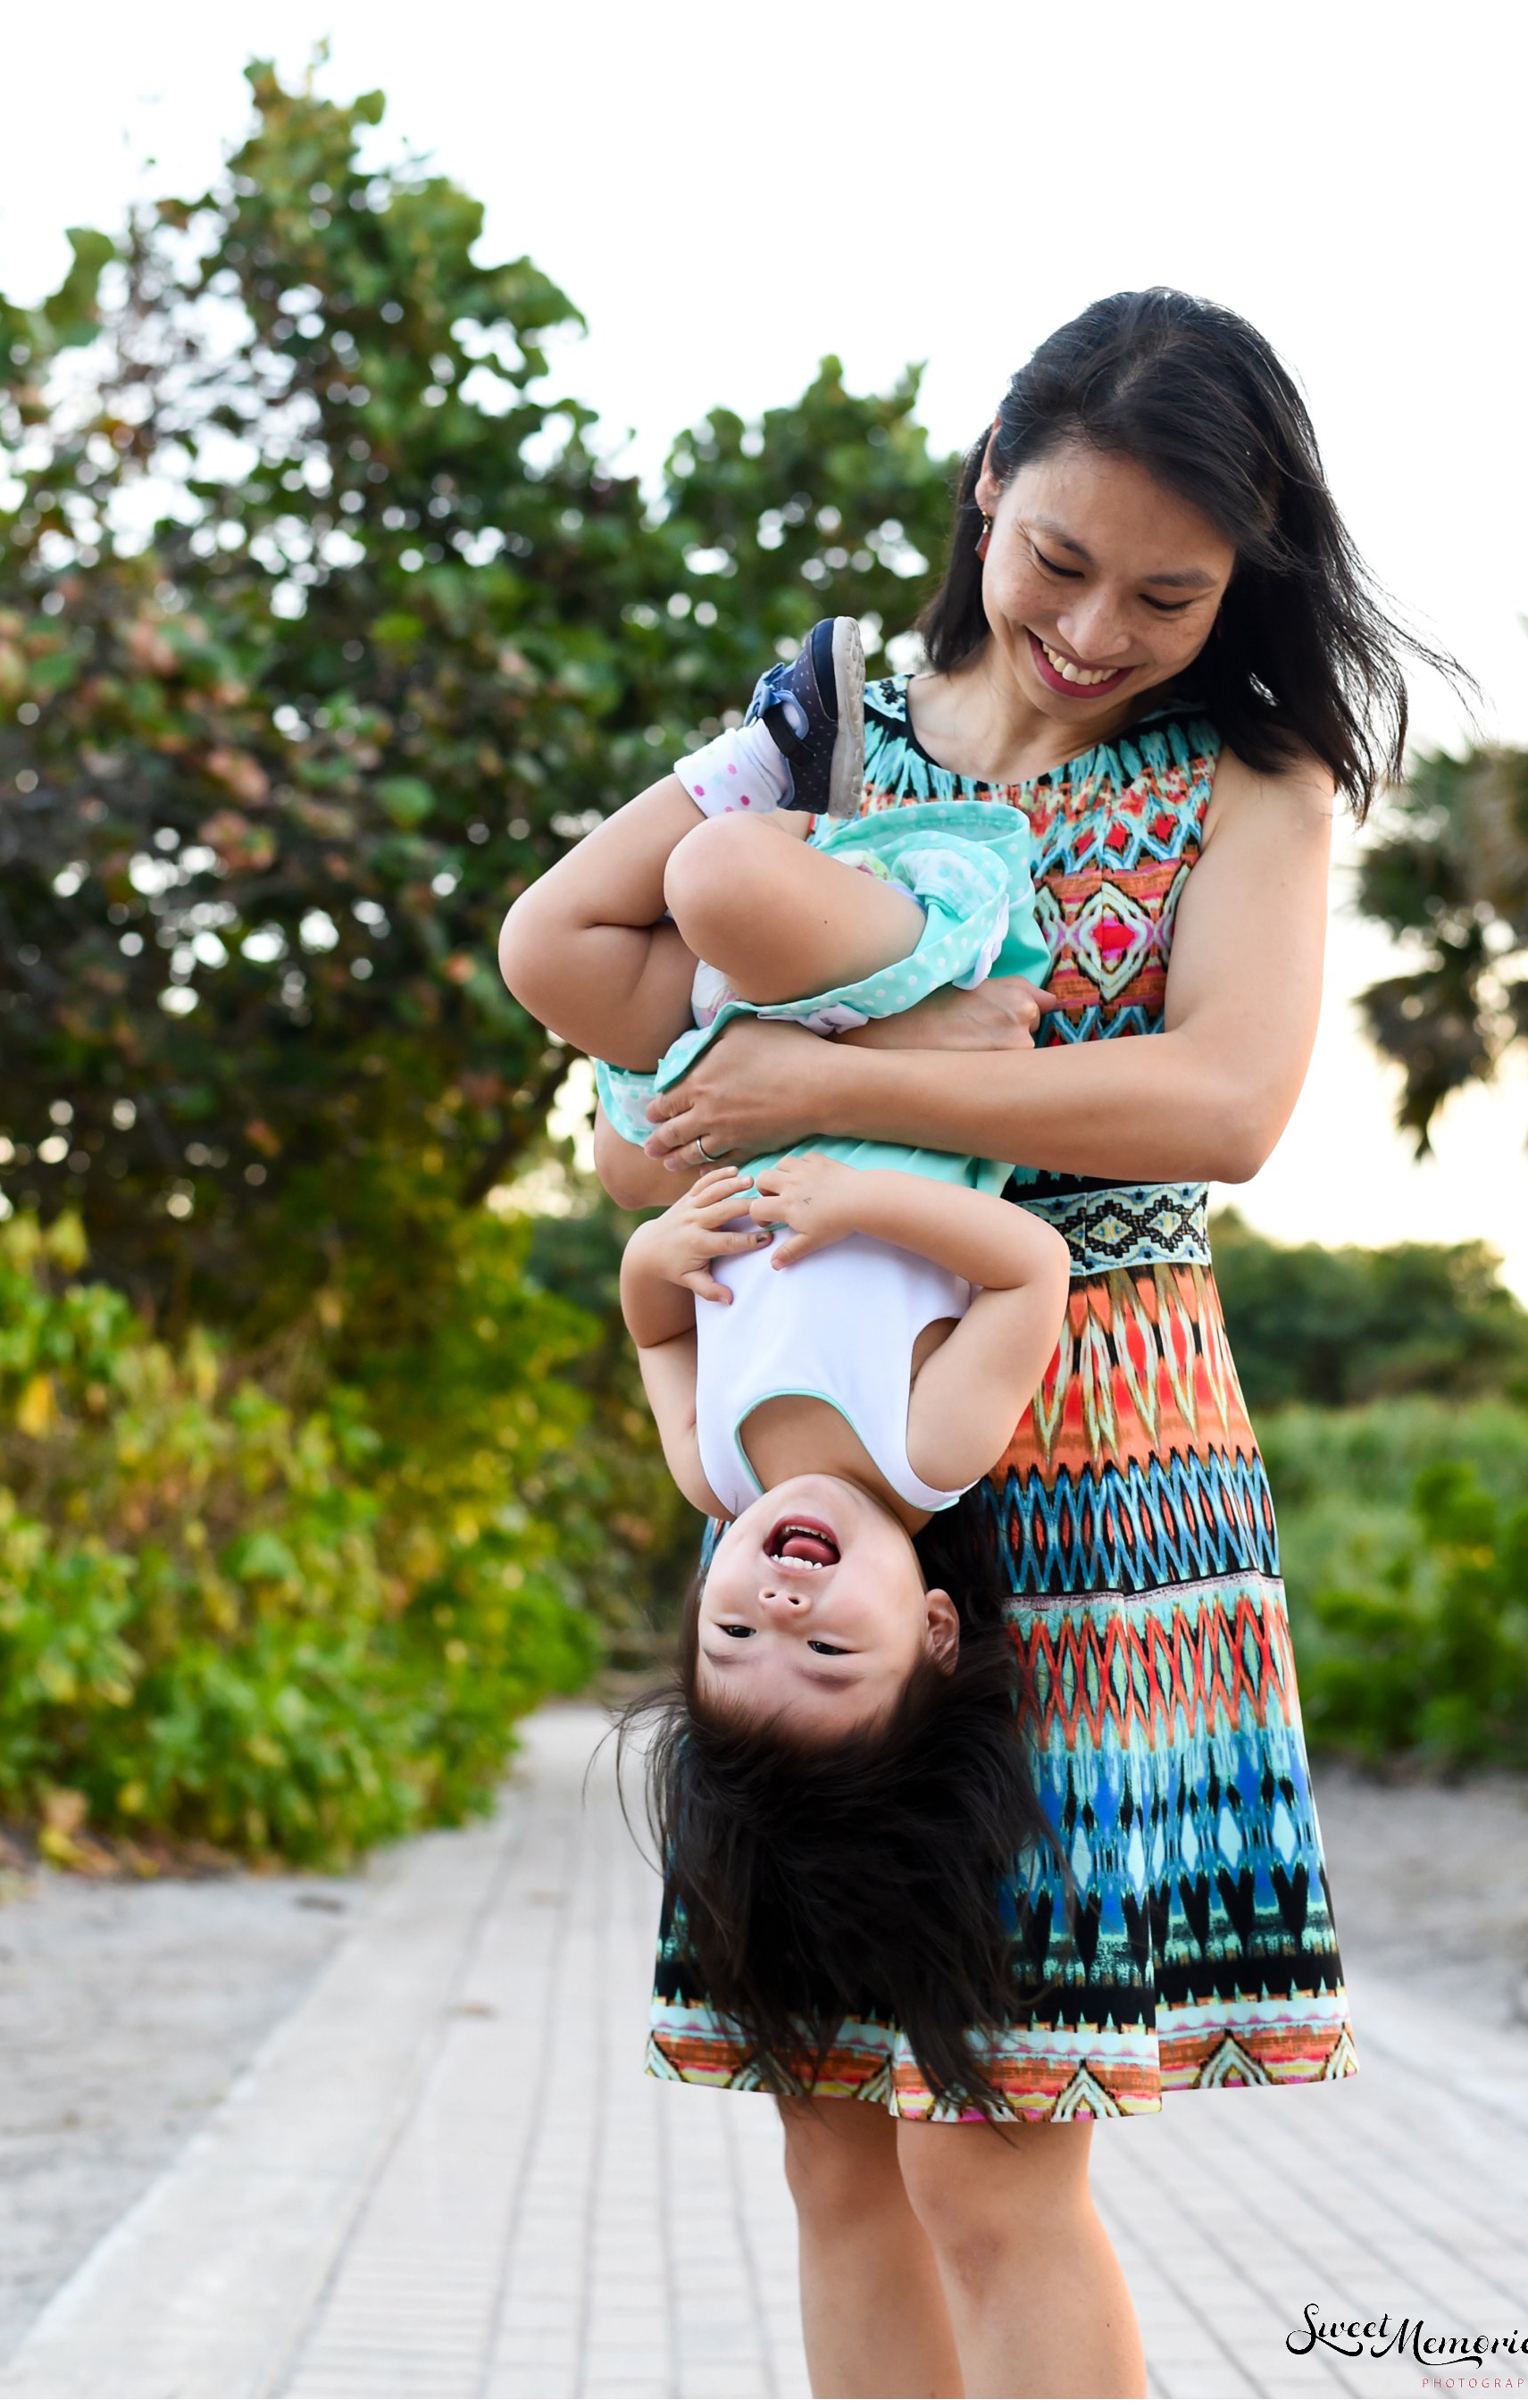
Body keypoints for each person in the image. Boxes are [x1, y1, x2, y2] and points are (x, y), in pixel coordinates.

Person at [528, 286, 1465, 2402]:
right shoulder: (822, 724)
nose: (1095, 625)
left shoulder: (1256, 768)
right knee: (834, 2139)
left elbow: (1221, 1105)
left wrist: (817, 1096)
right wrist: (698, 1142)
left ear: (1248, 584)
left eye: (1168, 590)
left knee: (993, 2149)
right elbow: (619, 1064)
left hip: (1096, 1446)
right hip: (826, 1463)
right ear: (985, 493)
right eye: (1058, 560)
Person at [502, 621, 1075, 2114]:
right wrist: (869, 1197)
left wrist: (664, 1252)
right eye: (829, 1650)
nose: (781, 1603)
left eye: (735, 1640)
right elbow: (1034, 1269)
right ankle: (824, 770)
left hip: (744, 1061)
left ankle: (775, 757)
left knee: (541, 952)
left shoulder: (718, 1467)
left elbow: (647, 1311)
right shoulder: (926, 1448)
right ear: (938, 1627)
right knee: (717, 881)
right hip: (899, 1005)